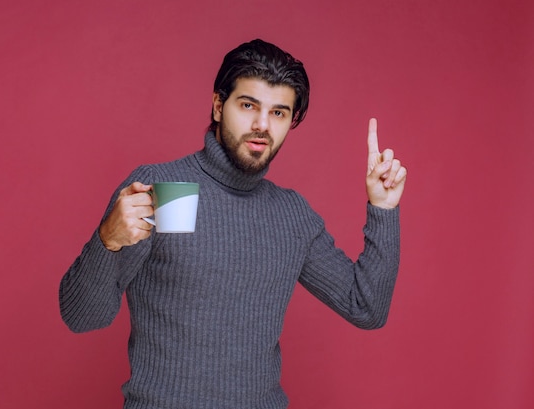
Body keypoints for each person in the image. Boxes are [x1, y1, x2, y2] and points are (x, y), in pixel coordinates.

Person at [59, 38, 407, 409]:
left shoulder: (290, 214)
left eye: (279, 113)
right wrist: (106, 241)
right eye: (248, 105)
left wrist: (383, 209)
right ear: (218, 105)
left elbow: (366, 308)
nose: (261, 125)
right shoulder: (171, 192)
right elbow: (82, 317)